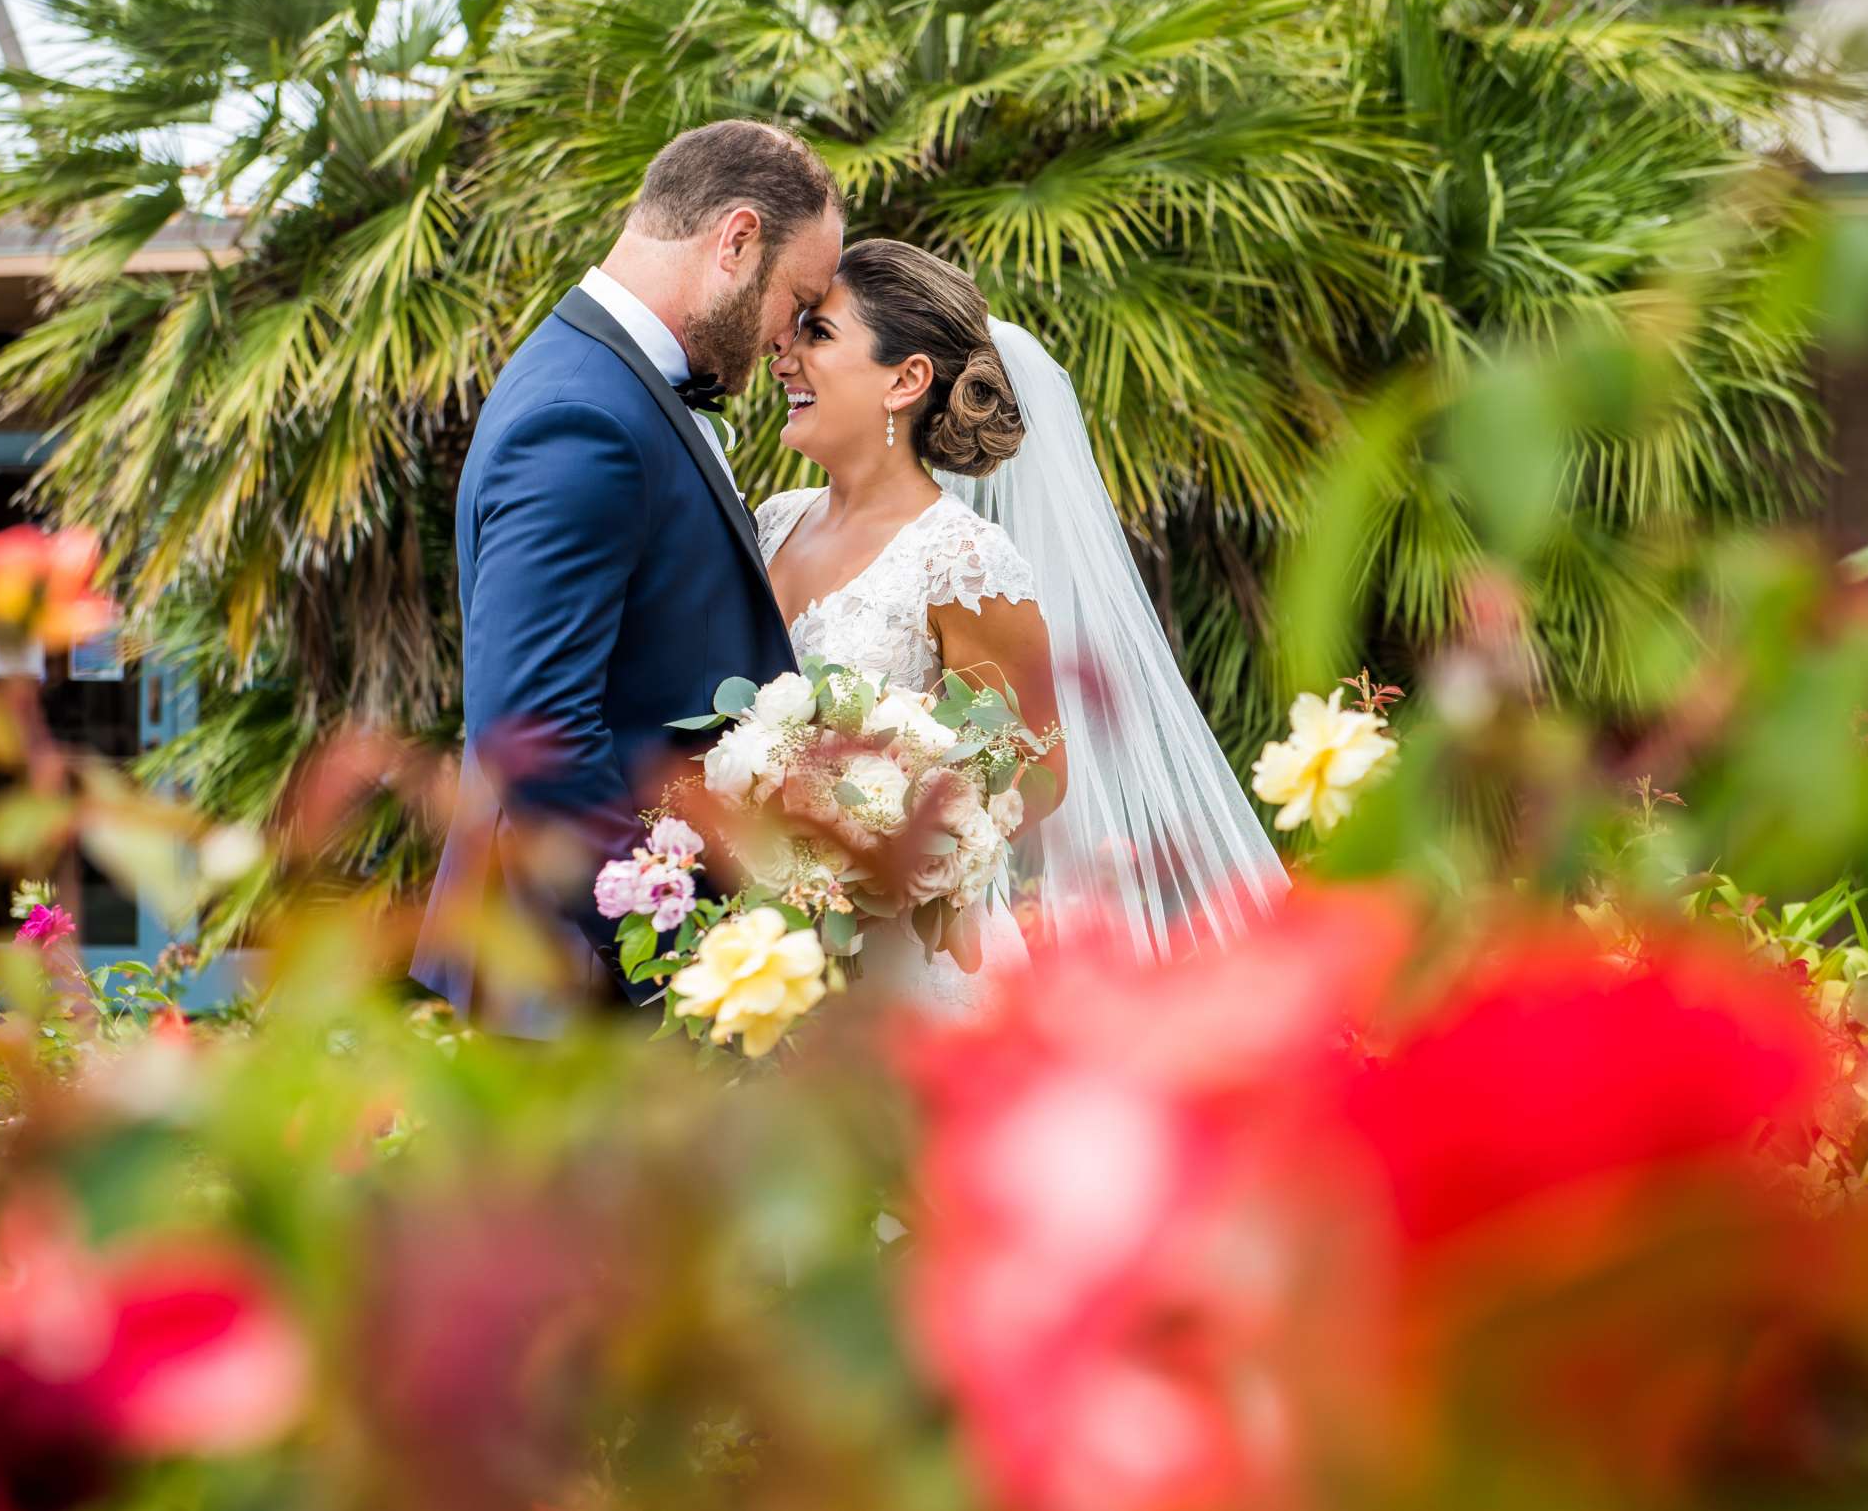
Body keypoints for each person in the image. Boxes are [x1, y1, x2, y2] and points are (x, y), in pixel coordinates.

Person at [760, 240, 1283, 1013]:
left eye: (819, 335)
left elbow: (1034, 775)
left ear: (905, 381)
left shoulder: (961, 562)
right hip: (771, 954)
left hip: (911, 968)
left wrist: (869, 833)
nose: (783, 359)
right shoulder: (772, 523)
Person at [412, 121, 843, 1034]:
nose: (786, 342)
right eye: (797, 301)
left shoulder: (607, 382)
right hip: (578, 993)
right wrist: (681, 958)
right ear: (736, 242)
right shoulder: (583, 415)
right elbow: (533, 732)